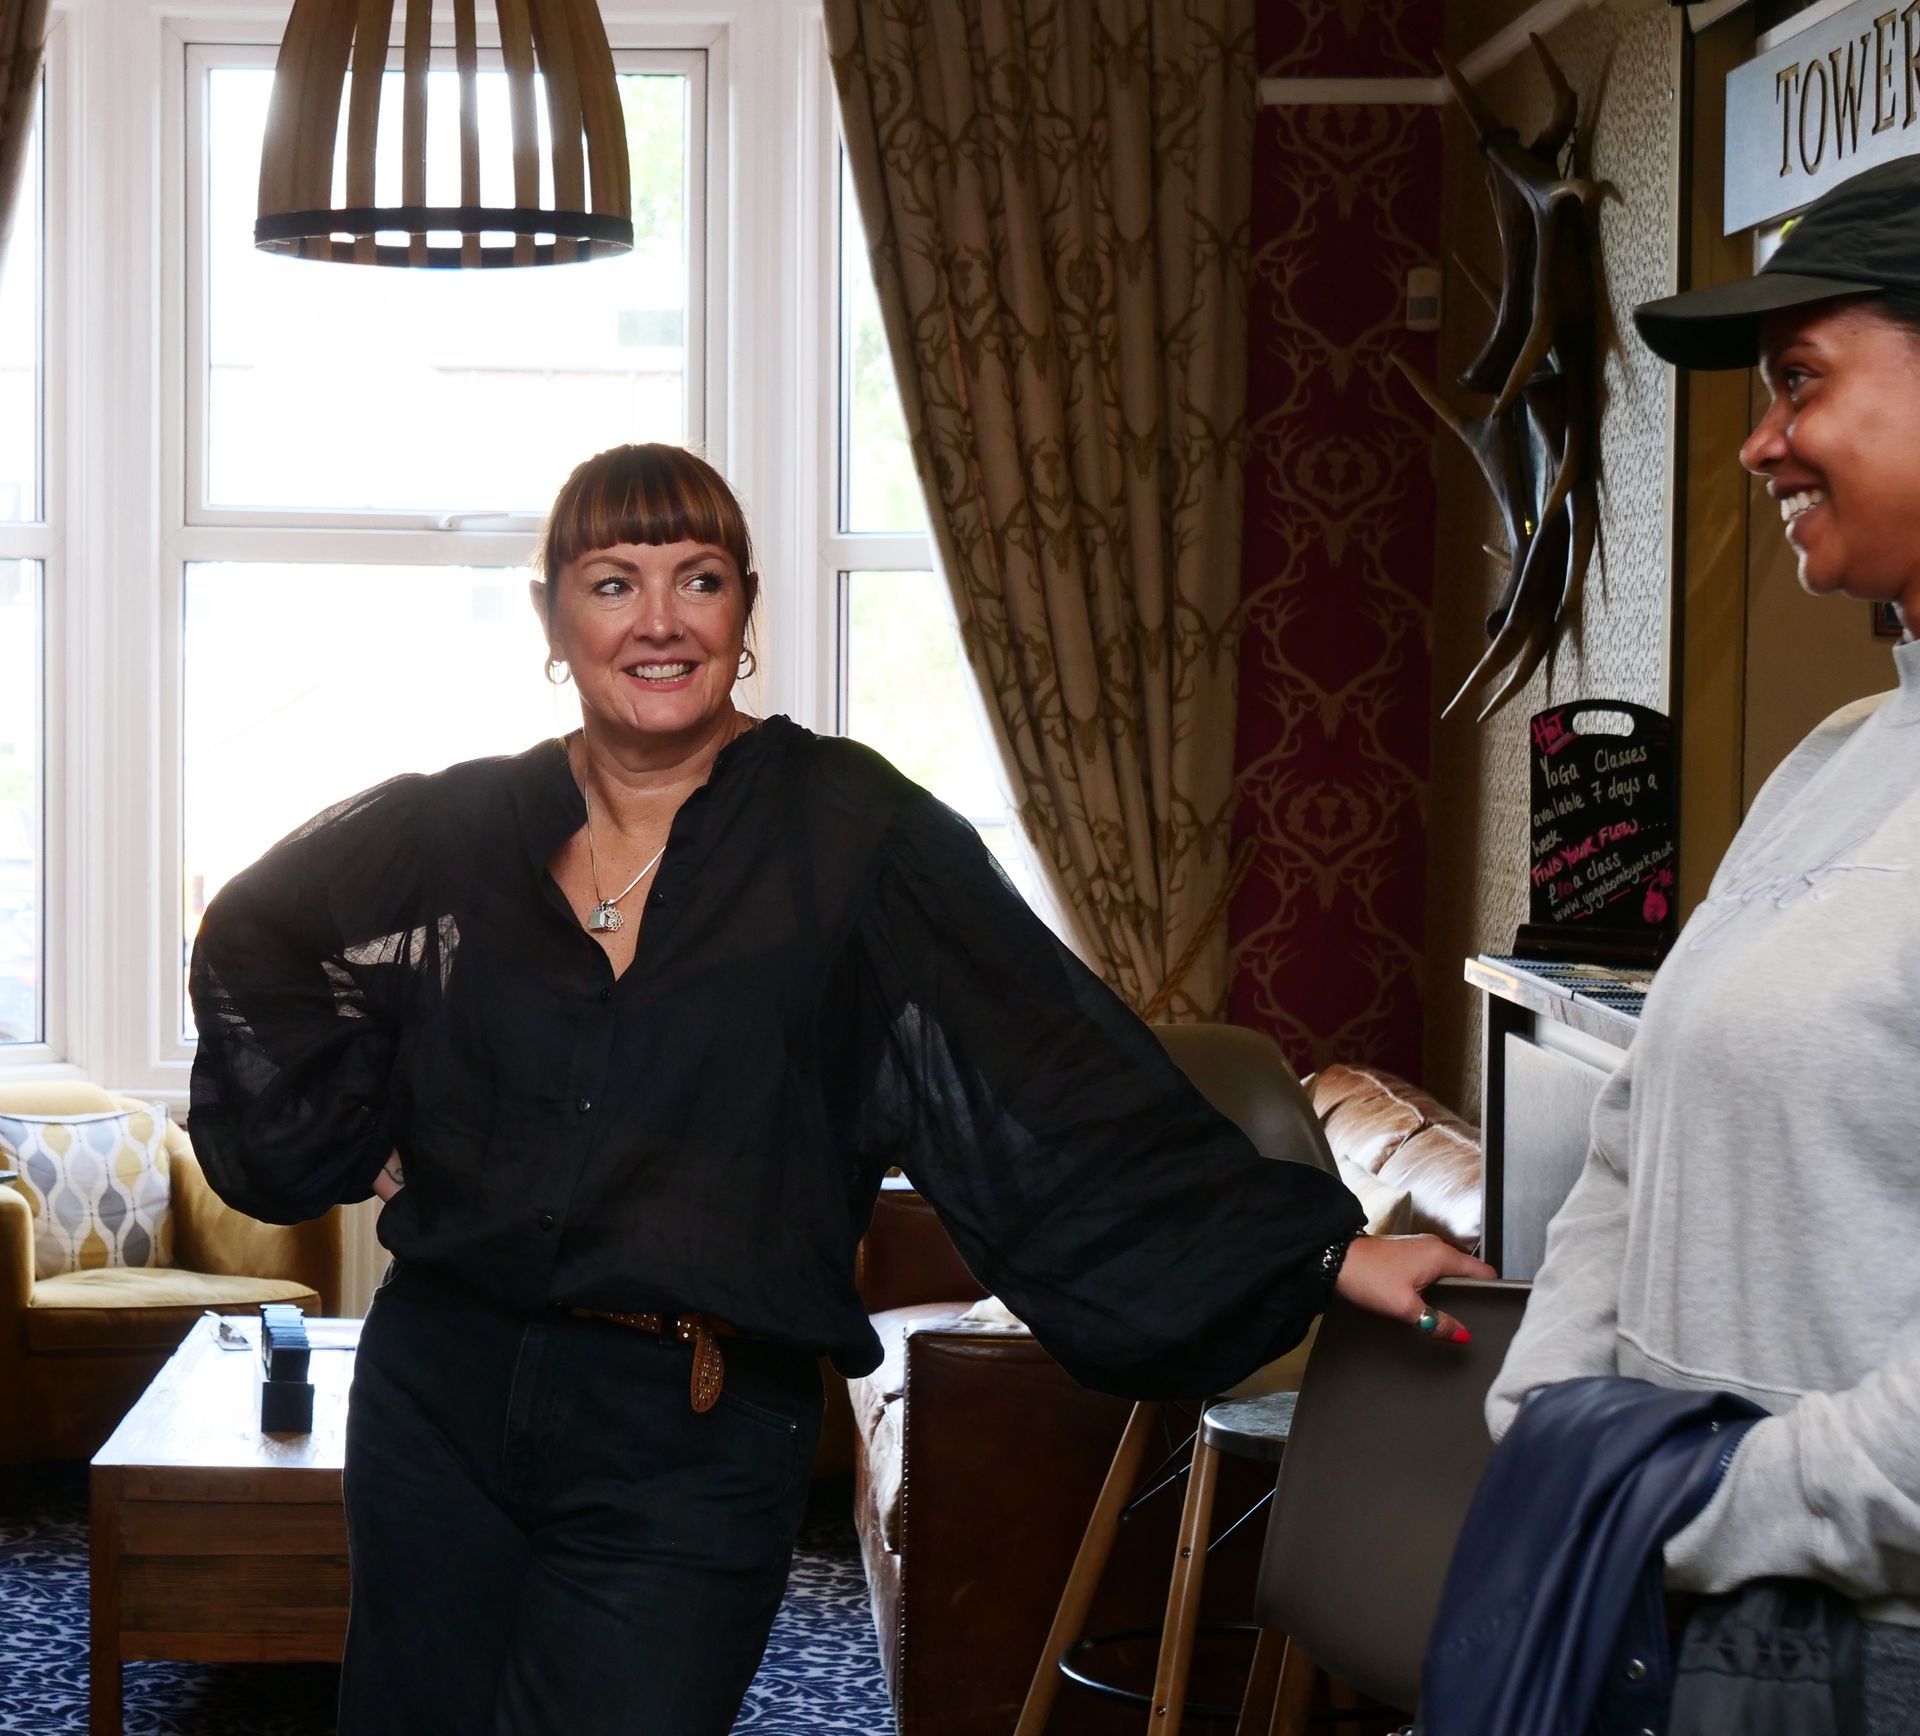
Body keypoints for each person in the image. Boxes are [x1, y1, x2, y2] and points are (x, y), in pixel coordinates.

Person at [188, 441, 1489, 1736]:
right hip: (439, 1394)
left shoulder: (854, 836)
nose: (656, 622)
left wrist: (1325, 1257)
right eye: (611, 582)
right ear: (551, 616)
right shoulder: (461, 827)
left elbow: (1054, 1069)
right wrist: (354, 1121)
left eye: (696, 580)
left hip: (689, 1434)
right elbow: (258, 931)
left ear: (744, 609)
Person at [1488, 155, 1920, 1730]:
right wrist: (1555, 1421)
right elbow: (1633, 1131)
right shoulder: (1835, 757)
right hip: (1676, 1602)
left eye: (1798, 379)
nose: (1757, 443)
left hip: (1863, 1650)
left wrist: (1704, 1501)